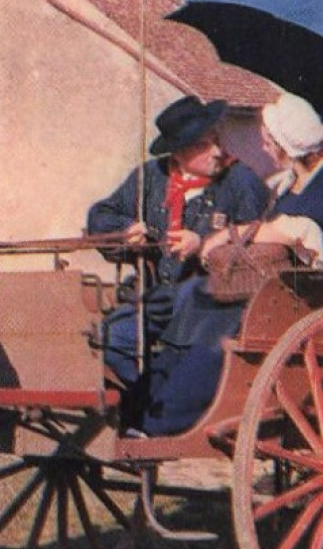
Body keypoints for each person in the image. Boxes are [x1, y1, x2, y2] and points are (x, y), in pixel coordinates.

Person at [138, 92, 323, 436]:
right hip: (285, 292)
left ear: (284, 144)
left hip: (322, 299)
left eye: (268, 138)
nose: (263, 145)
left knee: (220, 322)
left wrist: (231, 234)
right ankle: (147, 406)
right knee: (194, 298)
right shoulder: (289, 184)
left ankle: (169, 418)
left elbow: (292, 230)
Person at [86, 95, 269, 420]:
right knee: (109, 339)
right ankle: (146, 401)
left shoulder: (240, 182)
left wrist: (204, 246)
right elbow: (99, 216)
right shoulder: (150, 178)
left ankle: (170, 408)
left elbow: (260, 244)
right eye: (204, 144)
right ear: (180, 152)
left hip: (212, 303)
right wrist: (127, 229)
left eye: (216, 139)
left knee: (178, 351)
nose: (217, 150)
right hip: (154, 296)